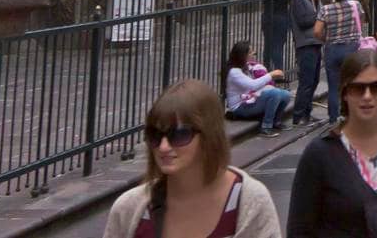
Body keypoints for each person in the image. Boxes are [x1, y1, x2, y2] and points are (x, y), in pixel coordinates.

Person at [103, 79, 280, 238]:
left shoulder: (250, 202)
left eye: (179, 134)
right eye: (155, 135)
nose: (164, 147)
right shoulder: (129, 209)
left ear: (209, 136)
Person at [286, 50, 377, 238]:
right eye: (358, 88)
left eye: (376, 87)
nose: (367, 96)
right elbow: (298, 230)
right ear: (344, 93)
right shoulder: (320, 153)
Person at [313, 0, 363, 124]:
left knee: (333, 85)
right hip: (351, 48)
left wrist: (326, 39)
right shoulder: (355, 5)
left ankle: (333, 118)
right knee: (352, 83)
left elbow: (316, 31)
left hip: (332, 49)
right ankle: (350, 113)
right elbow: (361, 20)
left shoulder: (325, 9)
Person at [223, 40, 291, 136]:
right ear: (243, 55)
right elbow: (253, 85)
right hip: (240, 107)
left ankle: (276, 121)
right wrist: (271, 75)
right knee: (274, 94)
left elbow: (256, 82)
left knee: (285, 94)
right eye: (250, 52)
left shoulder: (246, 67)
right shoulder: (234, 72)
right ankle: (266, 126)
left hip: (251, 100)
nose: (253, 54)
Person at [288, 0, 327, 125]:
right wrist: (319, 17)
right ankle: (298, 116)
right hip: (305, 44)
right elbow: (304, 21)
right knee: (306, 81)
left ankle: (307, 113)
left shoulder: (317, 2)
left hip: (316, 43)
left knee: (314, 80)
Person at [260, 0, 294, 73]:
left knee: (268, 44)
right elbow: (290, 1)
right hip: (281, 17)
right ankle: (279, 71)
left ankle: (266, 68)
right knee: (278, 45)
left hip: (267, 17)